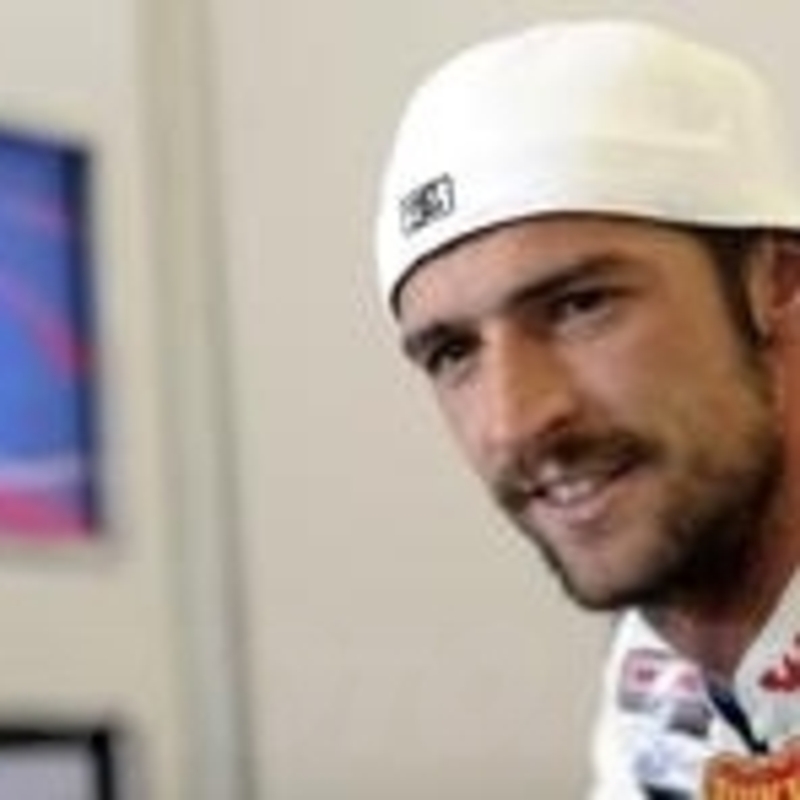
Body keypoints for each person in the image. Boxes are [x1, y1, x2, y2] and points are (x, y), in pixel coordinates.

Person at [373, 19, 800, 799]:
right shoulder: (658, 680)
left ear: (777, 283)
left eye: (580, 305)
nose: (514, 421)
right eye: (453, 353)